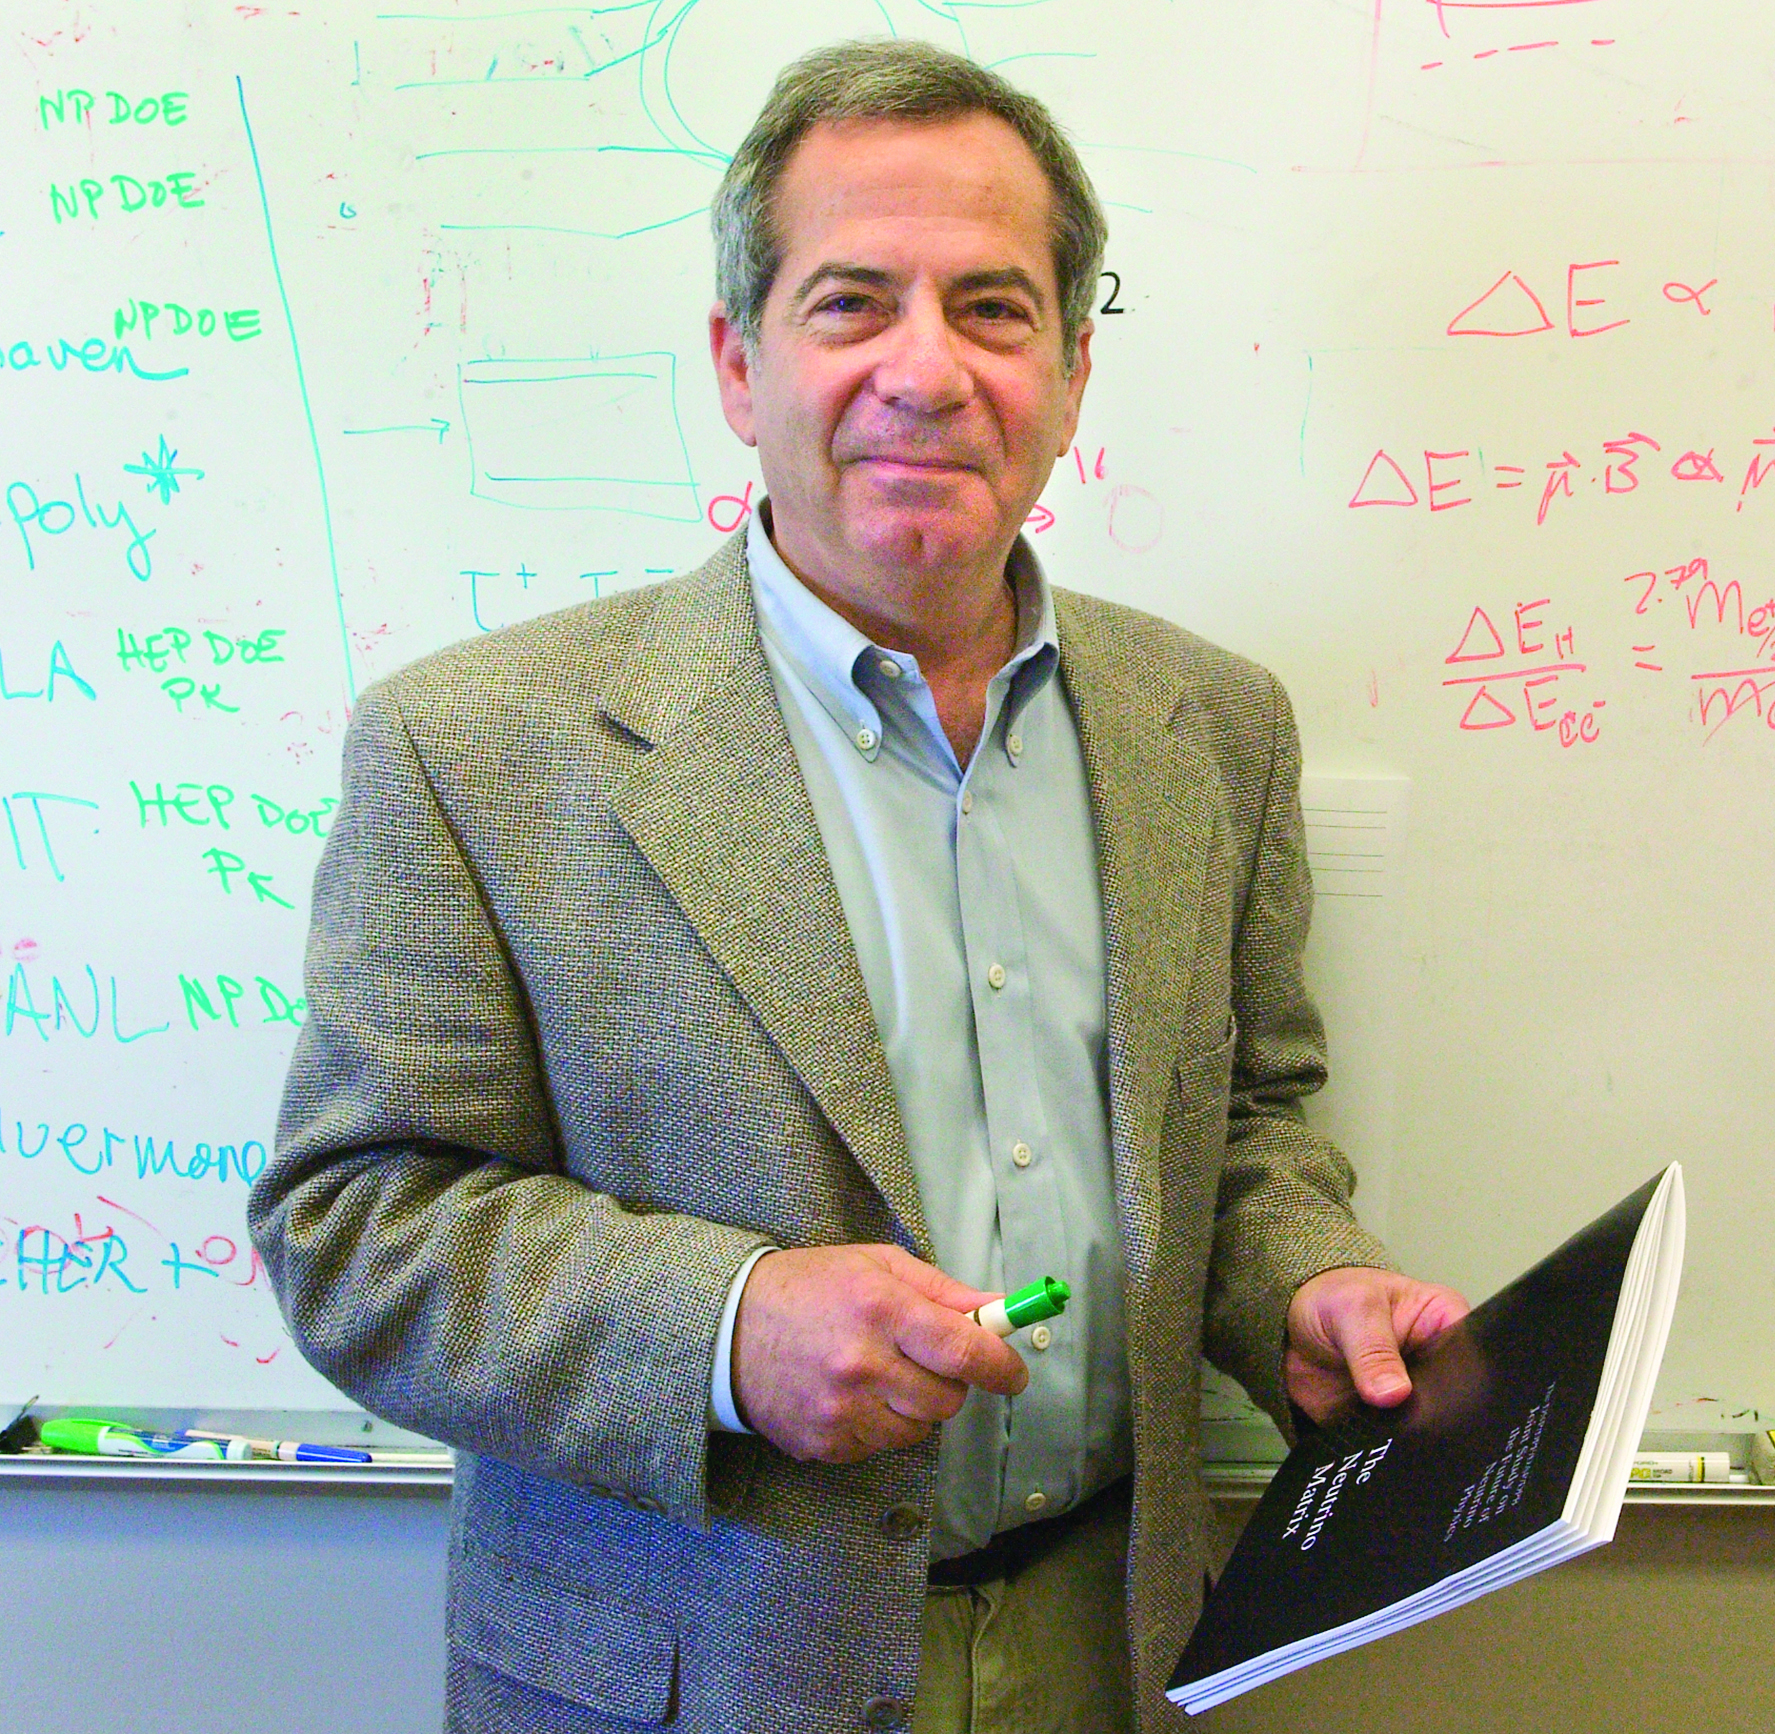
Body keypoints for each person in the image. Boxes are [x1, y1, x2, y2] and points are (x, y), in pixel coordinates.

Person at [249, 37, 1467, 1734]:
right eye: (849, 304)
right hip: (690, 1672)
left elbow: (1246, 1123)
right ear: (739, 364)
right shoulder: (476, 749)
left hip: (1118, 1649)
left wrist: (1305, 1284)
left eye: (989, 306)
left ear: (1069, 369)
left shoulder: (1215, 726)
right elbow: (352, 1229)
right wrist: (728, 1327)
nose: (928, 370)